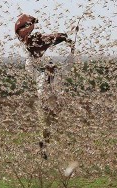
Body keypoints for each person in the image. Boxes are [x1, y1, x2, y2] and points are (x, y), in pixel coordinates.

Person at [15, 14, 75, 158]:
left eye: (52, 67)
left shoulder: (57, 75)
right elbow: (29, 66)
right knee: (47, 124)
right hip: (46, 104)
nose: (51, 68)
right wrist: (30, 53)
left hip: (54, 103)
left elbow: (69, 62)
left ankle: (44, 144)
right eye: (49, 67)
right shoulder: (40, 76)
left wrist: (73, 48)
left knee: (50, 126)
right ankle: (45, 146)